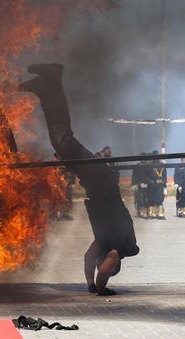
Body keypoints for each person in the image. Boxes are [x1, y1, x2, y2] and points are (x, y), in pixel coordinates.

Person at [19, 63, 138, 296]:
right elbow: (105, 266)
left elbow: (87, 258)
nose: (101, 263)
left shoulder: (102, 244)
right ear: (115, 264)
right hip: (100, 180)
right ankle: (53, 80)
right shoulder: (123, 248)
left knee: (61, 143)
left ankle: (46, 90)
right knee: (64, 140)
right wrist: (101, 288)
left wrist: (90, 285)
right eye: (109, 265)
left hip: (96, 182)